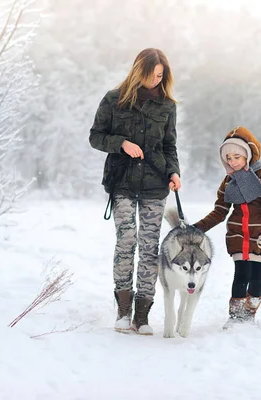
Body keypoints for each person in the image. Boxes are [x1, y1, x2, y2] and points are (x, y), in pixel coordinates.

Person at [89, 48, 181, 335]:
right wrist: (122, 144)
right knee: (126, 241)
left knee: (149, 247)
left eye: (160, 75)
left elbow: (169, 145)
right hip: (123, 181)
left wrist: (174, 171)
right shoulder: (114, 100)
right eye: (152, 74)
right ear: (138, 70)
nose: (156, 80)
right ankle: (123, 311)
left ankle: (142, 315)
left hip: (156, 183)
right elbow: (96, 136)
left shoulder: (167, 105)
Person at [193, 126, 261, 328]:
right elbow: (220, 211)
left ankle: (249, 315)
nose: (232, 162)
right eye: (228, 158)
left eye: (237, 157)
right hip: (238, 235)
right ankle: (235, 317)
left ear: (248, 155)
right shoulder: (228, 181)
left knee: (256, 278)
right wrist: (197, 228)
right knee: (240, 275)